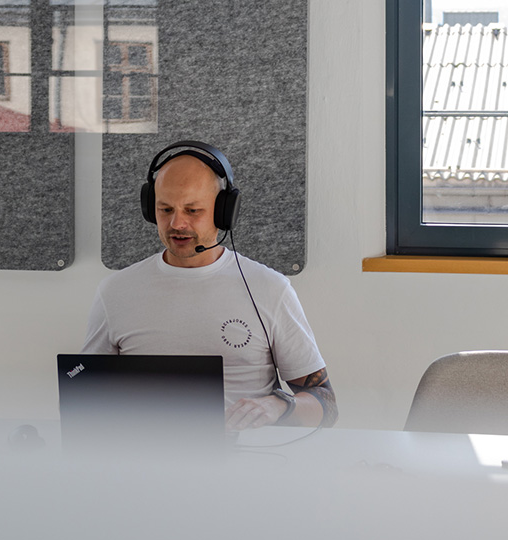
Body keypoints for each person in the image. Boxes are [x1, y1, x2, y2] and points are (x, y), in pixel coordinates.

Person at [82, 141, 338, 431]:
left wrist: (279, 405)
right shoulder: (115, 291)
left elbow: (326, 405)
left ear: (223, 212)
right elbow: (83, 396)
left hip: (246, 463)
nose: (177, 223)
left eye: (192, 210)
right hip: (147, 460)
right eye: (165, 209)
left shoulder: (270, 289)